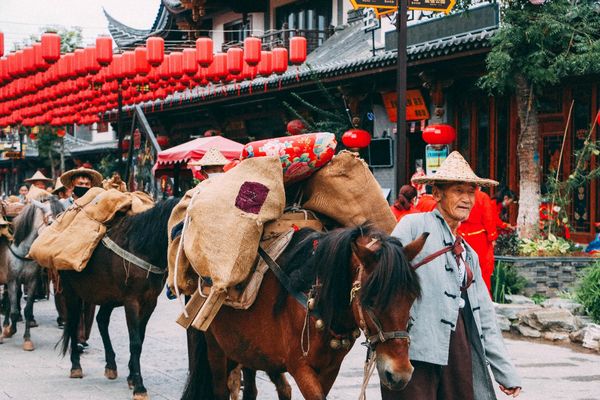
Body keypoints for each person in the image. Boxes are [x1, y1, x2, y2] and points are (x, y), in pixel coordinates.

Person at [385, 151, 521, 400]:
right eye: (458, 190)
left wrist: (506, 372)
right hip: (413, 348)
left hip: (457, 348)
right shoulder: (412, 226)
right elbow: (384, 279)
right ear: (437, 193)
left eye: (471, 192)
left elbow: (485, 314)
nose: (467, 199)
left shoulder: (469, 253)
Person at [55, 166, 103, 349]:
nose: (84, 185)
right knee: (71, 298)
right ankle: (76, 335)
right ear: (72, 185)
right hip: (68, 256)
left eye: (87, 183)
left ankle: (83, 337)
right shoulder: (63, 205)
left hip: (90, 257)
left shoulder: (97, 204)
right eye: (80, 183)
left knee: (90, 300)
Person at [457, 188, 500, 296]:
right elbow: (488, 218)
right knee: (483, 268)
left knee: (460, 266)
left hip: (459, 234)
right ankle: (483, 297)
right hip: (479, 237)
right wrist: (492, 237)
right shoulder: (482, 196)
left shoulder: (458, 194)